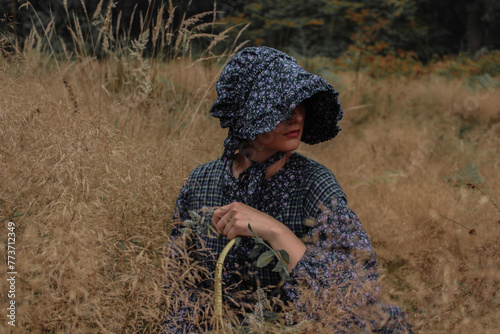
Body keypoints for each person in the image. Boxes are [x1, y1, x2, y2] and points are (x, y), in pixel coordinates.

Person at [165, 46, 412, 333]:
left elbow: (354, 301)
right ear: (247, 114)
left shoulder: (314, 185)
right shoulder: (202, 183)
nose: (295, 116)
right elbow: (181, 292)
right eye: (280, 106)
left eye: (299, 101)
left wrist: (276, 232)